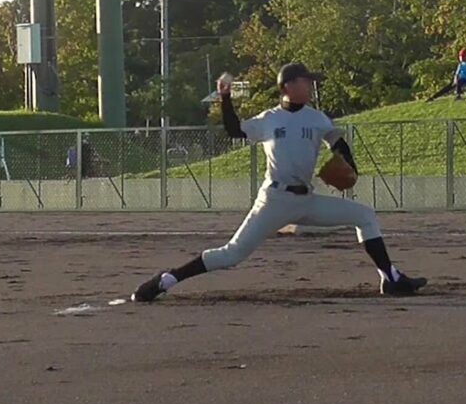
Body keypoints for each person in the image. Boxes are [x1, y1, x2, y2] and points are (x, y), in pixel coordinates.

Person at [129, 62, 428, 303]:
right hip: (274, 200)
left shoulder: (316, 117)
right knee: (231, 254)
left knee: (364, 215)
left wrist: (348, 161)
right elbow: (234, 130)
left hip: (305, 200)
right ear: (288, 86)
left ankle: (390, 278)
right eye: (305, 81)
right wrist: (226, 99)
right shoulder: (269, 119)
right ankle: (167, 279)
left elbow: (336, 140)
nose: (310, 85)